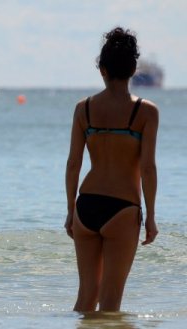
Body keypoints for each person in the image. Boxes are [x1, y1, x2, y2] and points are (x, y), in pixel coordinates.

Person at [64, 27, 159, 312]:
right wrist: (151, 217)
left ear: (102, 69)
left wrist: (71, 211)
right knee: (111, 302)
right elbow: (148, 169)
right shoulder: (146, 112)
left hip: (86, 205)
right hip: (123, 208)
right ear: (133, 69)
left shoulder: (84, 108)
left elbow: (73, 164)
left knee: (85, 298)